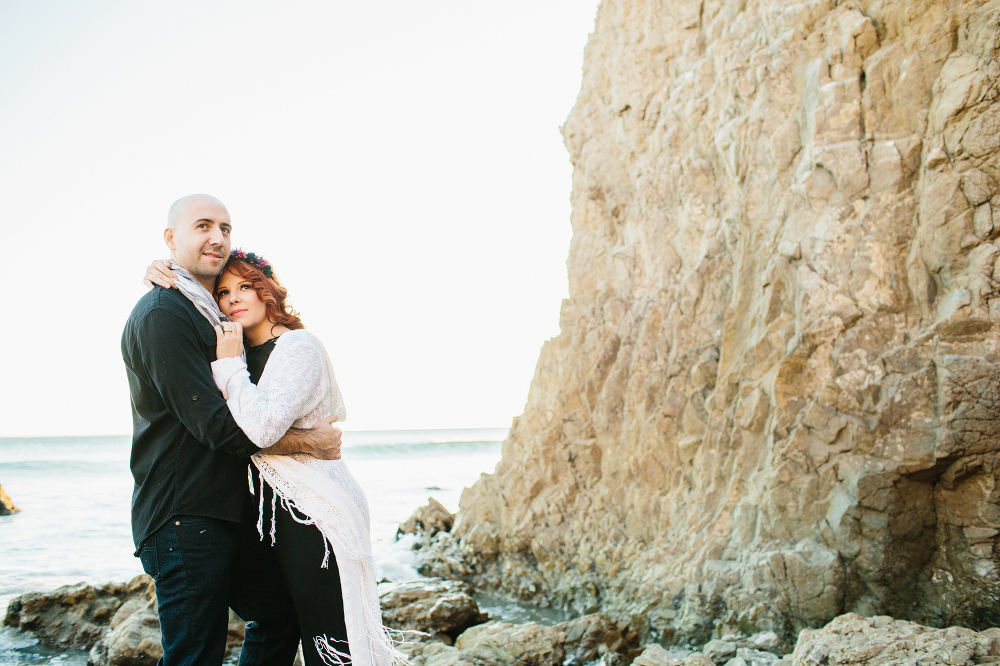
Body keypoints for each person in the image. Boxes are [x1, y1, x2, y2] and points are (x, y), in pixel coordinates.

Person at [145, 249, 405, 666]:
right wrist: (161, 271)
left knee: (330, 638)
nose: (233, 298)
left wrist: (228, 365)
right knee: (290, 624)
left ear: (268, 292)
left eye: (246, 286)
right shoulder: (242, 354)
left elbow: (261, 428)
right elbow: (217, 427)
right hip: (277, 513)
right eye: (224, 291)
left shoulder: (296, 346)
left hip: (316, 508)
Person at [123, 194, 343, 666]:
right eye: (202, 226)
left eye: (225, 227)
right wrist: (310, 443)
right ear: (170, 238)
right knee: (194, 656)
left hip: (224, 511)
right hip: (182, 514)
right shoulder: (164, 316)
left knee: (279, 619)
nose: (217, 237)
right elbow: (219, 427)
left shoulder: (208, 312)